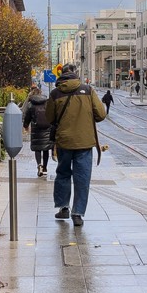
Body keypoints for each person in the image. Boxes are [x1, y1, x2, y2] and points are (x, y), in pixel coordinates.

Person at [46, 63, 107, 227]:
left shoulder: (55, 93)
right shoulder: (88, 90)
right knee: (82, 178)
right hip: (85, 142)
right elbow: (101, 114)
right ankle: (78, 214)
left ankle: (63, 207)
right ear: (75, 74)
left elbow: (49, 118)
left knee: (63, 174)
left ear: (61, 74)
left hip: (64, 142)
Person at [22, 85, 54, 177]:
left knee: (38, 149)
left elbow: (27, 117)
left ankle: (39, 165)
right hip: (47, 129)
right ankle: (45, 168)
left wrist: (26, 126)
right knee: (46, 149)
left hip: (36, 129)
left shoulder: (31, 104)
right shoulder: (47, 103)